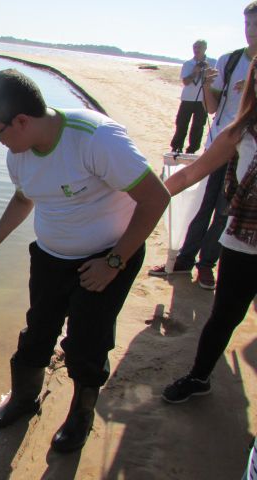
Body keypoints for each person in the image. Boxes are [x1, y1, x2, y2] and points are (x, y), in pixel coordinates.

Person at [0, 69, 169, 453]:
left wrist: (113, 262)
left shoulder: (96, 139)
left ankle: (80, 415)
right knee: (36, 334)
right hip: (49, 258)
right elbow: (24, 199)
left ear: (22, 120)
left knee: (87, 344)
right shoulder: (20, 155)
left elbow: (156, 198)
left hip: (106, 258)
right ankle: (24, 400)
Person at [162, 54, 257, 404]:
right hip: (243, 244)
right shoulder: (240, 131)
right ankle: (199, 377)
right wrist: (143, 199)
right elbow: (191, 173)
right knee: (224, 317)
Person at [149, 2, 257, 290]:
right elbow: (212, 108)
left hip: (249, 150)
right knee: (205, 203)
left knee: (226, 210)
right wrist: (209, 86)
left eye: (255, 25)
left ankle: (206, 265)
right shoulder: (230, 61)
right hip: (225, 141)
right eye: (247, 24)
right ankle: (185, 260)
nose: (250, 31)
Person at [170, 40, 213, 154]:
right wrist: (195, 72)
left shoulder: (212, 63)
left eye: (199, 47)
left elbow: (214, 82)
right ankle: (176, 147)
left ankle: (192, 150)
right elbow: (186, 82)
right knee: (181, 124)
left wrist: (206, 72)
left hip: (202, 100)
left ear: (205, 48)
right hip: (187, 99)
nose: (196, 49)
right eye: (195, 47)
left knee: (198, 127)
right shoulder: (188, 64)